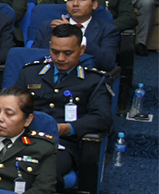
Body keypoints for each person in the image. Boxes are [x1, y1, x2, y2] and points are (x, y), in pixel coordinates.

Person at [16, 23, 112, 176]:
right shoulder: (30, 72)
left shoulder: (94, 80)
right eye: (55, 52)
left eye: (68, 53)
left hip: (62, 144)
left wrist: (68, 128)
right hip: (23, 137)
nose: (60, 58)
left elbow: (102, 117)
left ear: (81, 50)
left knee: (40, 172)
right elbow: (13, 105)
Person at [31, 0, 119, 71]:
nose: (75, 4)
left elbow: (108, 63)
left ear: (94, 4)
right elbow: (33, 57)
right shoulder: (48, 26)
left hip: (86, 76)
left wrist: (77, 35)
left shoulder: (107, 30)